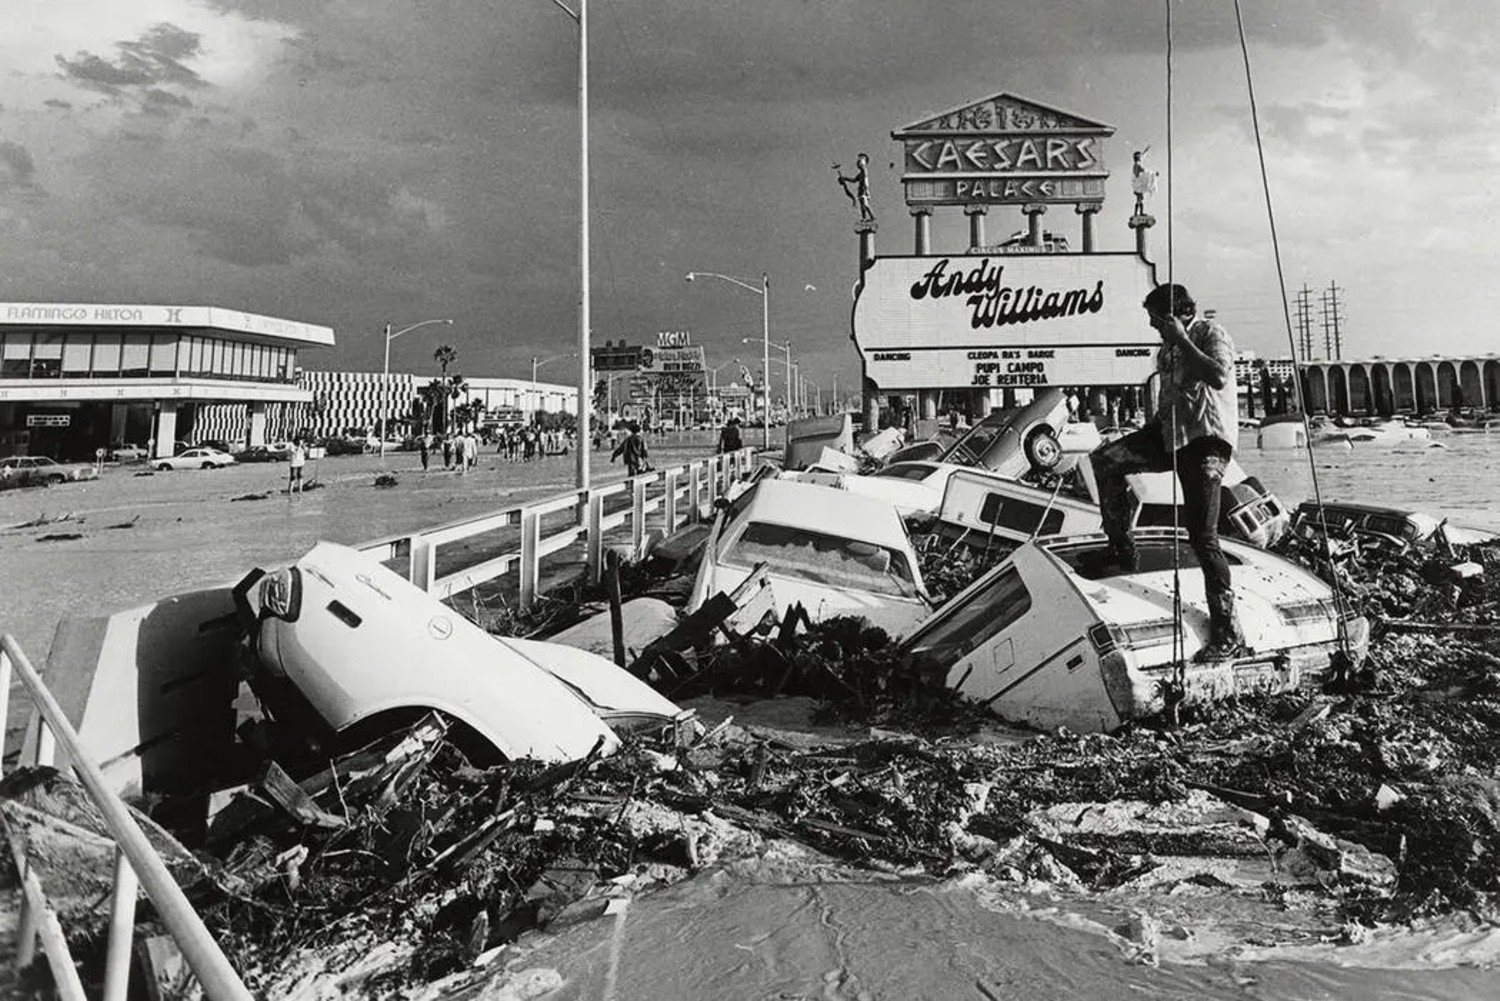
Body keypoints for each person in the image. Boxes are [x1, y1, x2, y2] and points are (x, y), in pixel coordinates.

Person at [1088, 282, 1241, 661]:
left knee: (1202, 535)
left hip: (1205, 440)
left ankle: (1228, 631)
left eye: (1156, 319)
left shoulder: (1210, 333)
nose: (1154, 327)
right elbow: (1169, 400)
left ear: (1174, 313)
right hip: (1169, 435)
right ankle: (1121, 550)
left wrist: (1182, 339)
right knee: (1105, 460)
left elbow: (1218, 376)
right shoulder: (1165, 350)